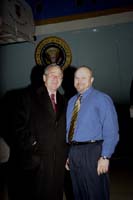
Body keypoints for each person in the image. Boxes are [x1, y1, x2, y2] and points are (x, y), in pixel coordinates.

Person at [1, 64, 67, 200]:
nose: (56, 78)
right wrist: (34, 144)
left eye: (59, 75)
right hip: (35, 164)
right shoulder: (26, 97)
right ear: (44, 77)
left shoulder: (64, 101)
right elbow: (14, 127)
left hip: (58, 166)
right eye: (52, 74)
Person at [65, 66, 119, 200]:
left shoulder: (101, 99)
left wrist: (105, 156)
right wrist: (69, 155)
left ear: (92, 80)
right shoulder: (72, 101)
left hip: (93, 152)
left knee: (95, 193)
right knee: (78, 193)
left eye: (84, 77)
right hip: (74, 152)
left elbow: (111, 130)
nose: (79, 81)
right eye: (76, 78)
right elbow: (70, 130)